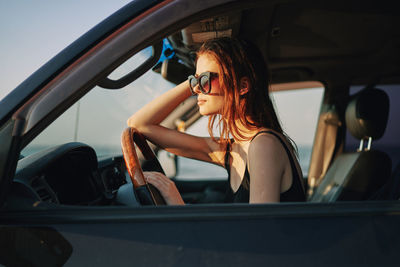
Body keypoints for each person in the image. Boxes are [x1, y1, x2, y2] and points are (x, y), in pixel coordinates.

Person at [127, 37, 305, 205]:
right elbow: (138, 125)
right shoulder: (233, 149)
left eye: (205, 79)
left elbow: (256, 233)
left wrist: (178, 205)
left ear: (242, 86)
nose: (197, 89)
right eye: (195, 81)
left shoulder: (264, 145)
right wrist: (192, 83)